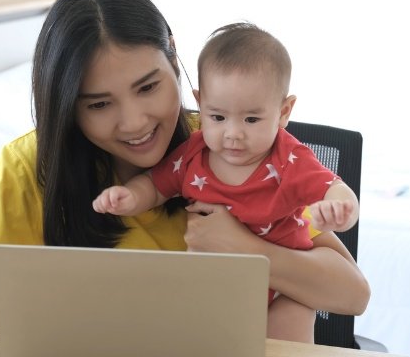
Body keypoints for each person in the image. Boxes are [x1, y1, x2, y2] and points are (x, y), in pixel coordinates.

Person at [0, 0, 370, 340]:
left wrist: (250, 250)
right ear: (66, 105)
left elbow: (350, 293)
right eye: (99, 104)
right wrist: (83, 313)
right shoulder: (36, 166)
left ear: (173, 58)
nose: (135, 122)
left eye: (148, 87)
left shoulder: (223, 147)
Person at [92, 22, 360, 342]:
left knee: (288, 333)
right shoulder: (193, 152)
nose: (233, 134)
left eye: (251, 119)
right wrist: (130, 197)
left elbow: (334, 188)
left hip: (283, 288)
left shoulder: (288, 158)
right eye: (217, 117)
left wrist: (342, 209)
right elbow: (155, 185)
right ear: (200, 103)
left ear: (284, 111)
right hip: (214, 289)